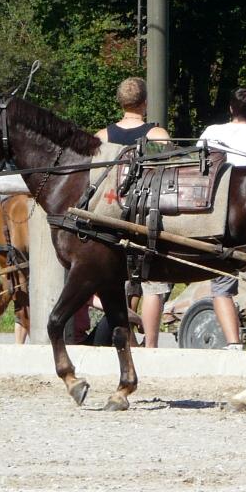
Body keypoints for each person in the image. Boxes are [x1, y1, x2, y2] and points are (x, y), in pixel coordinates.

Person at [95, 76, 171, 348]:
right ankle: (150, 346)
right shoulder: (157, 136)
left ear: (120, 102)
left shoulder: (102, 138)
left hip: (110, 213)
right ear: (145, 103)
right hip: (144, 212)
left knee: (115, 277)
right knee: (153, 283)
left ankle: (126, 338)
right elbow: (166, 174)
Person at [198, 87, 246, 350]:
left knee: (221, 285)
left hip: (220, 213)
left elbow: (198, 165)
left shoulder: (212, 131)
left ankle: (233, 343)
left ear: (230, 108)